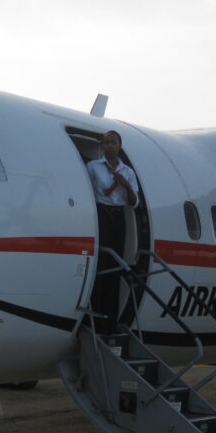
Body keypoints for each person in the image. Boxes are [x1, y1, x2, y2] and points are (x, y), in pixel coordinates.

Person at [87, 130, 139, 334]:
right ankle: (96, 315)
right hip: (101, 213)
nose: (109, 146)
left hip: (118, 216)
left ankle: (110, 318)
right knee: (101, 264)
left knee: (115, 267)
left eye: (113, 142)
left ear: (119, 146)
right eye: (106, 142)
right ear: (102, 146)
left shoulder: (128, 172)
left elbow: (134, 203)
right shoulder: (93, 167)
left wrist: (126, 186)